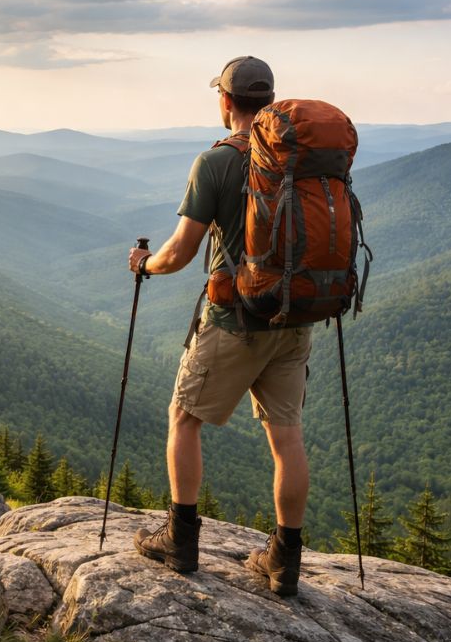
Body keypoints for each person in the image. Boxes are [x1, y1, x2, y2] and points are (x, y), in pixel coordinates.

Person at [127, 55, 312, 597]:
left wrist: (145, 265)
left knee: (183, 417)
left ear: (226, 102)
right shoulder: (299, 159)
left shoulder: (216, 162)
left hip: (234, 320)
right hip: (294, 317)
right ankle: (284, 561)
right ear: (271, 100)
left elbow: (182, 251)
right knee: (287, 436)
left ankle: (180, 541)